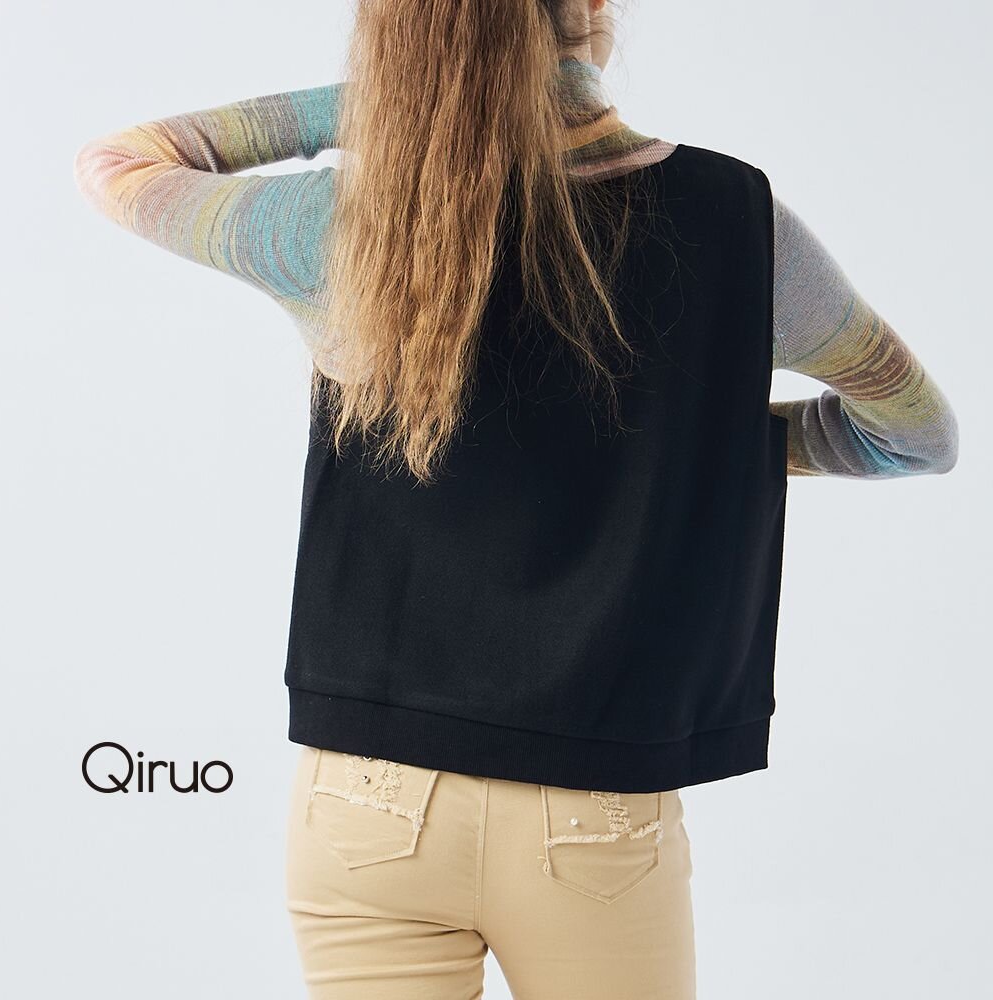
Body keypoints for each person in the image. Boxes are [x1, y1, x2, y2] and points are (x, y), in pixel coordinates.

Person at [73, 1, 958, 997]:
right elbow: (914, 432)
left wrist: (393, 98)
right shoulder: (737, 219)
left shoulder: (346, 225)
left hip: (367, 801)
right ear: (590, 13)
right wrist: (703, 443)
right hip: (592, 812)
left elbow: (119, 164)